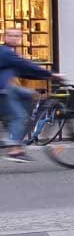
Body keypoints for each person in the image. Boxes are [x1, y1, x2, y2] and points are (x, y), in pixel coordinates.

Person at [0, 27, 57, 159]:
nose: (14, 38)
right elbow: (26, 65)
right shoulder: (4, 51)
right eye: (11, 36)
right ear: (4, 38)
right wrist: (50, 74)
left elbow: (24, 72)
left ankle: (15, 134)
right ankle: (14, 149)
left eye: (17, 36)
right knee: (19, 117)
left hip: (7, 87)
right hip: (3, 89)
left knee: (31, 95)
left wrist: (47, 77)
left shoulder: (10, 53)